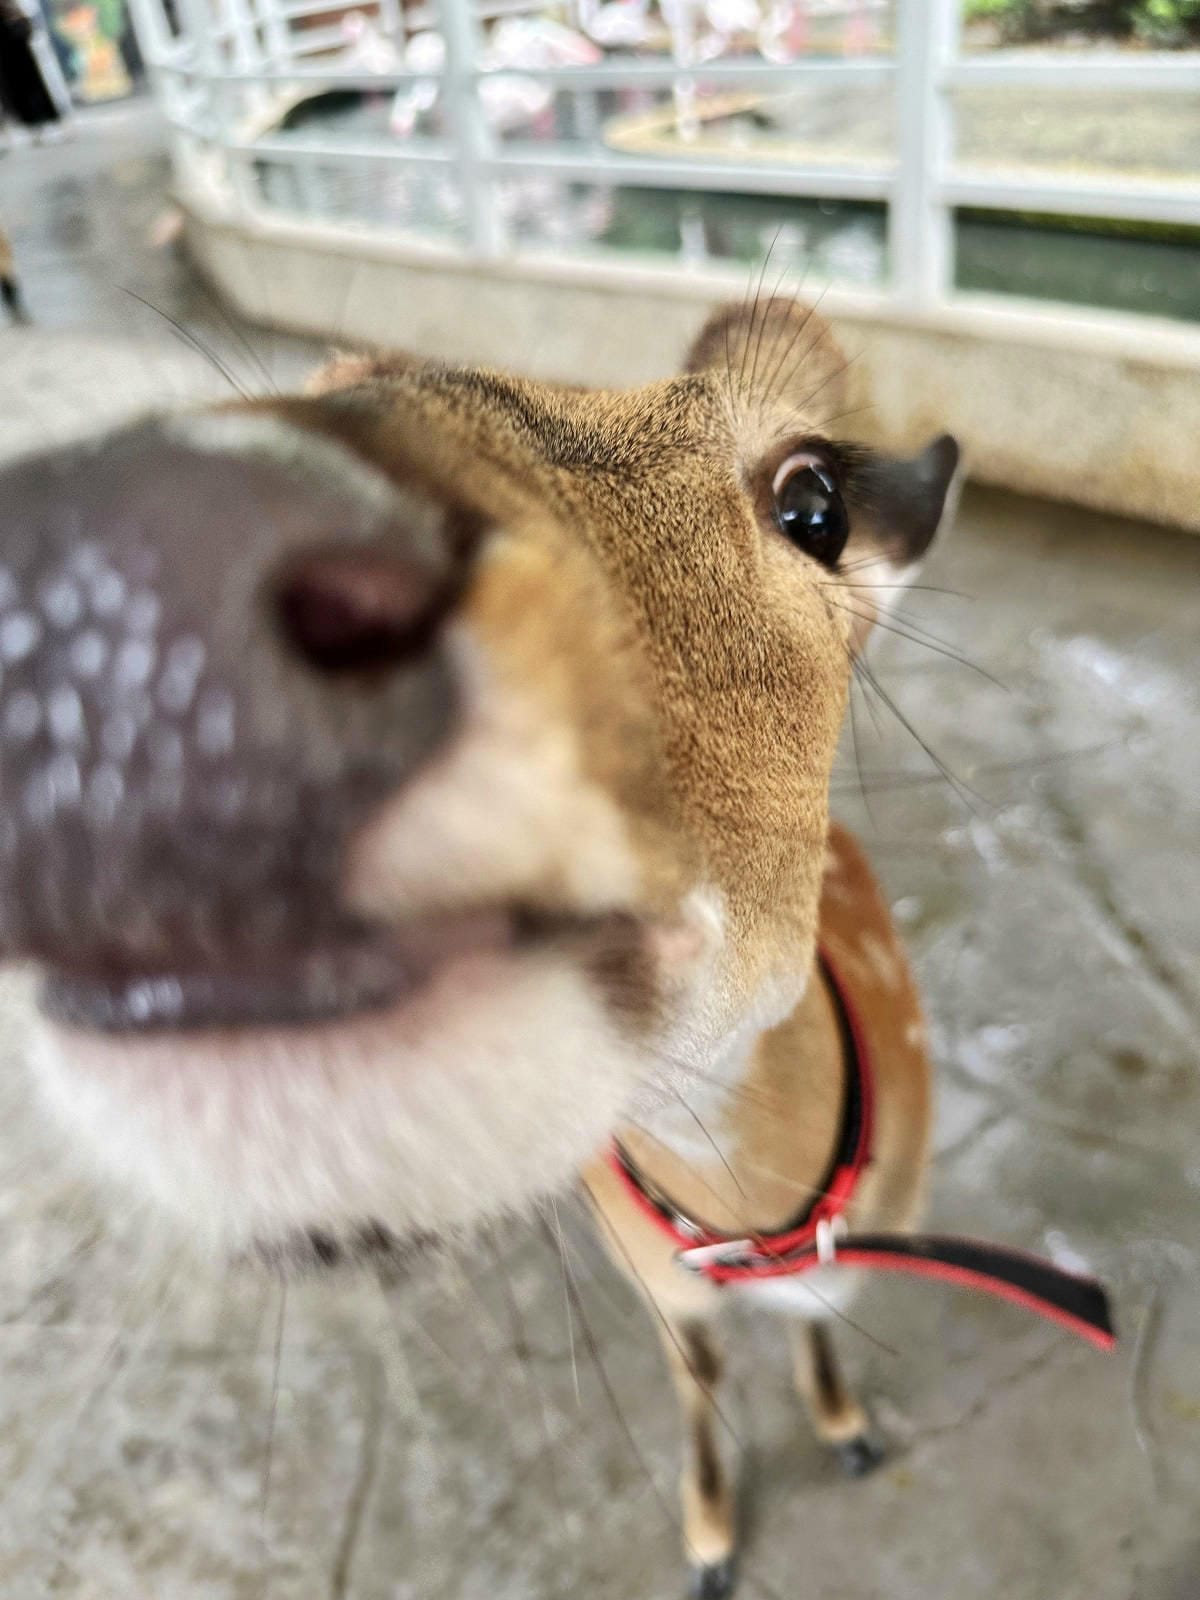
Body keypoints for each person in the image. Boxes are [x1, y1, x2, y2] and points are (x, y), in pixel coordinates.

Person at [0, 0, 72, 139]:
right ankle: (34, 124)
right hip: (9, 39)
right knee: (16, 84)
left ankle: (45, 122)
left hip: (13, 35)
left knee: (27, 80)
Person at [0, 225, 29, 322]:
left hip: (4, 269)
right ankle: (18, 316)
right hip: (5, 269)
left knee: (10, 294)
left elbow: (6, 249)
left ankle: (18, 316)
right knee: (10, 294)